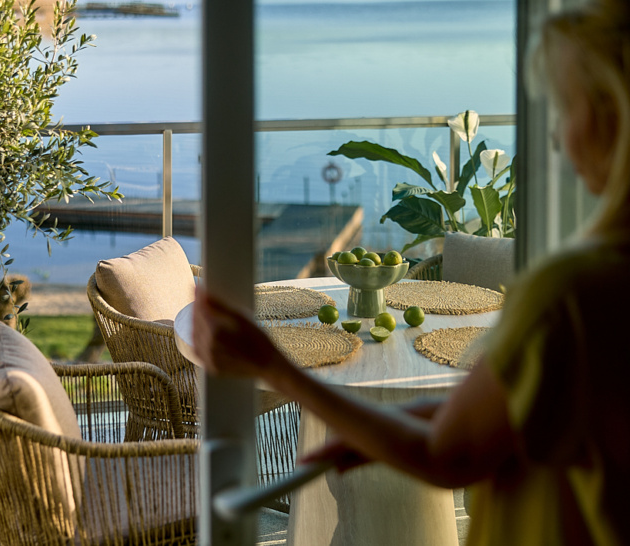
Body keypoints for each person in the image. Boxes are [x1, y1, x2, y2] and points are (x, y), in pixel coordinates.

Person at [192, 0, 630, 543]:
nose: (557, 136)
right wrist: (378, 426)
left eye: (565, 108)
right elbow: (513, 414)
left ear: (613, 113)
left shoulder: (568, 294)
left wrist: (275, 368)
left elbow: (449, 455)